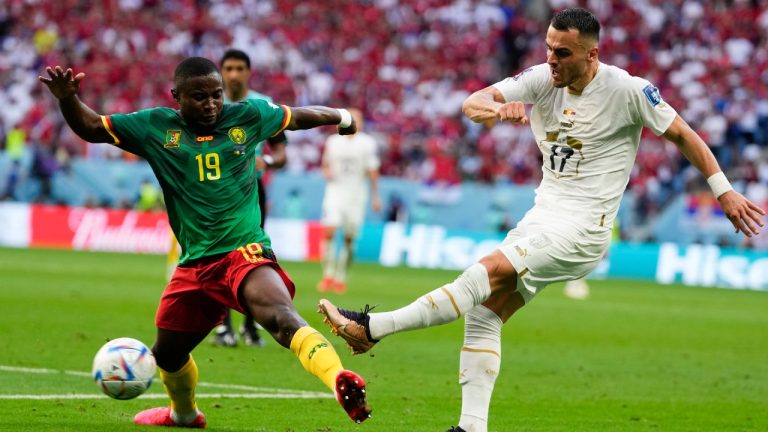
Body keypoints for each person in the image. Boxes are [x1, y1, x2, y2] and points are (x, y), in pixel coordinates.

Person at [317, 8, 765, 432]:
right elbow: (473, 103)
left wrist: (723, 190)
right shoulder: (540, 78)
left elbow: (683, 134)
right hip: (543, 216)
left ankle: (373, 328)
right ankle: (472, 426)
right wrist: (496, 109)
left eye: (562, 52)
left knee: (489, 270)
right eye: (549, 47)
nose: (551, 58)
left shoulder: (629, 90)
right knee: (484, 315)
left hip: (584, 228)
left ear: (592, 55)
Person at [39, 57, 371, 428]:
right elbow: (91, 127)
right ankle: (185, 415)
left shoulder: (248, 115)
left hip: (244, 254)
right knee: (167, 355)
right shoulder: (156, 126)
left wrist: (341, 116)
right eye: (199, 97)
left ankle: (338, 378)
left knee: (282, 319)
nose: (211, 104)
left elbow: (300, 116)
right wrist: (67, 98)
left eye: (215, 95)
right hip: (195, 266)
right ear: (176, 97)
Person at [207, 48, 289, 348]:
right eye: (228, 68)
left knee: (255, 257)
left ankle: (251, 326)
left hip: (251, 191)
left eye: (239, 68)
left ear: (248, 72)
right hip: (213, 192)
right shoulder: (209, 104)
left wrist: (266, 161)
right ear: (221, 72)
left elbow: (281, 151)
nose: (234, 74)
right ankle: (223, 327)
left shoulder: (261, 105)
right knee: (218, 258)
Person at [317, 108, 381, 294]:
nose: (354, 122)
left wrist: (376, 197)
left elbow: (373, 171)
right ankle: (328, 275)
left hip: (356, 196)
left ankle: (341, 277)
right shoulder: (333, 141)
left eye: (357, 119)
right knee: (329, 231)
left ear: (361, 123)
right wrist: (326, 171)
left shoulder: (367, 143)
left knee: (349, 239)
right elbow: (325, 163)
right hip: (335, 192)